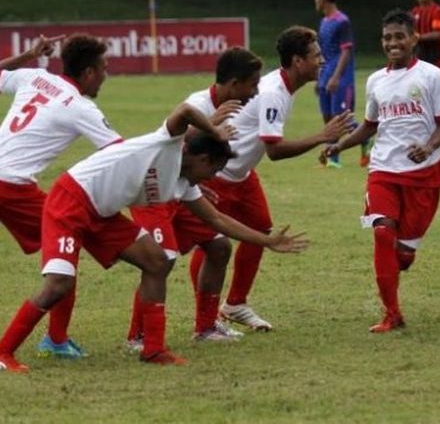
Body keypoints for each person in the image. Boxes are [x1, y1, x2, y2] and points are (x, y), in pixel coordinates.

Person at [0, 105, 307, 373]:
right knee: (58, 285)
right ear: (199, 156)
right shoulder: (168, 143)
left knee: (158, 261)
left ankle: (153, 349)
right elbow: (185, 111)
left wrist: (266, 241)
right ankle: (3, 352)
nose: (213, 176)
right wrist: (215, 130)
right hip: (71, 200)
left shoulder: (185, 184)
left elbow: (217, 220)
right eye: (213, 167)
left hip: (103, 214)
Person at [187, 26, 352, 332]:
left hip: (242, 174)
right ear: (297, 61)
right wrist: (322, 136)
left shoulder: (282, 88)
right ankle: (206, 321)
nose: (322, 60)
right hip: (218, 175)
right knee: (211, 245)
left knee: (260, 226)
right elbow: (274, 151)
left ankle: (235, 304)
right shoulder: (274, 93)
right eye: (316, 55)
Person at [324, 9, 440, 333]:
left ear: (413, 39)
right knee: (383, 231)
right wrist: (340, 145)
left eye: (400, 36)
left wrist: (427, 146)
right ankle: (392, 314)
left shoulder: (431, 76)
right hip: (383, 169)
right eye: (387, 38)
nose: (393, 43)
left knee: (403, 256)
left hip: (423, 175)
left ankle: (400, 265)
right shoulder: (375, 81)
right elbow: (370, 127)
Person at [127, 46, 263, 347]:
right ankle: (137, 335)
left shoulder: (238, 106)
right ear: (233, 84)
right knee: (158, 260)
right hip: (157, 191)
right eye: (252, 84)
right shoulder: (198, 103)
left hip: (183, 189)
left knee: (219, 247)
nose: (255, 91)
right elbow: (169, 143)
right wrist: (211, 123)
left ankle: (205, 327)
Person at [0, 34, 124, 359]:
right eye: (104, 68)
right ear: (87, 73)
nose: (106, 75)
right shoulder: (80, 107)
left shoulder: (35, 76)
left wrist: (26, 55)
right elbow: (122, 154)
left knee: (64, 249)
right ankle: (55, 340)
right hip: (10, 187)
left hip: (8, 182)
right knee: (64, 251)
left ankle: (56, 338)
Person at [314, 0, 369, 168]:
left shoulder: (342, 21)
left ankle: (334, 159)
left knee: (340, 118)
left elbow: (346, 51)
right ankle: (364, 139)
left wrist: (336, 77)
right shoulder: (324, 22)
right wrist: (319, 76)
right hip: (325, 74)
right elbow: (322, 52)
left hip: (341, 77)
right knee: (327, 117)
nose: (315, 1)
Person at [411, 0, 440, 73]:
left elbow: (437, 34)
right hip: (420, 54)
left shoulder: (437, 11)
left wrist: (418, 37)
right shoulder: (414, 11)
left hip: (436, 55)